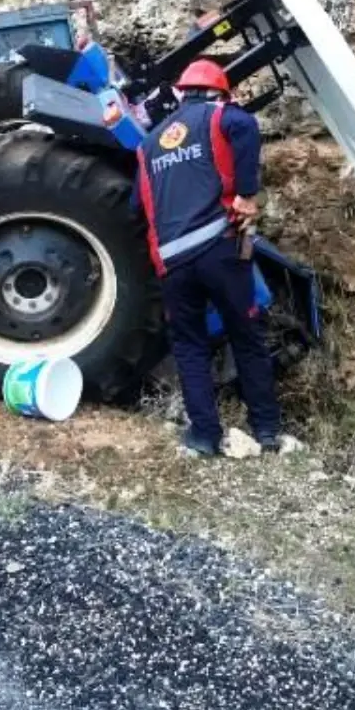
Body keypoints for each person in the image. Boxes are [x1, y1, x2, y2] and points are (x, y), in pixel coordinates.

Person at [133, 58, 281, 457]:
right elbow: (246, 126)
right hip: (220, 249)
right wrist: (247, 194)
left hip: (172, 264)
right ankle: (266, 429)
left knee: (189, 345)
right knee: (246, 336)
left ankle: (204, 436)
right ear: (220, 93)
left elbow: (137, 206)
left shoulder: (148, 145)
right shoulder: (223, 116)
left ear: (181, 93)